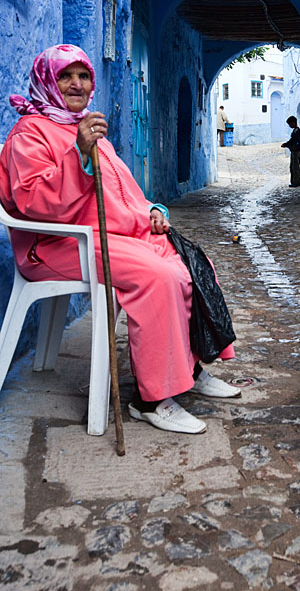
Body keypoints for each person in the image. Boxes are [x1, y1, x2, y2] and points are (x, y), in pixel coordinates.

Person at [0, 44, 241, 435]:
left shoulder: (89, 129)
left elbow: (123, 192)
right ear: (47, 81)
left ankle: (189, 368)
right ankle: (149, 399)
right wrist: (78, 153)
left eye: (83, 76)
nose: (76, 84)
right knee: (158, 276)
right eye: (66, 76)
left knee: (193, 262)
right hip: (54, 247)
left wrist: (152, 213)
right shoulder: (30, 134)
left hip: (109, 236)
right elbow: (33, 203)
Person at [281, 115, 300, 187]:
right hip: (294, 151)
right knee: (293, 167)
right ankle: (294, 181)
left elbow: (294, 141)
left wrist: (287, 144)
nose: (290, 125)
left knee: (295, 167)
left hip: (296, 151)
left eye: (290, 124)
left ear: (293, 123)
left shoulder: (297, 131)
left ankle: (296, 182)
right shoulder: (295, 131)